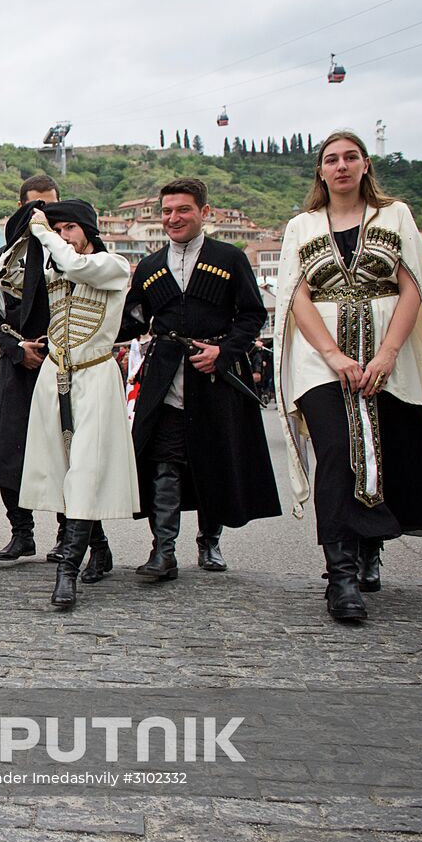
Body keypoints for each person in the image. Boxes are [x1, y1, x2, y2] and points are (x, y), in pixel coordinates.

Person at [274, 130, 422, 622]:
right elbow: (295, 296)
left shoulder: (395, 215)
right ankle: (341, 575)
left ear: (365, 165)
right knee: (337, 452)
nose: (341, 166)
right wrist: (333, 355)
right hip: (319, 357)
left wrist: (389, 352)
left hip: (387, 352)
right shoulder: (301, 226)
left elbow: (412, 284)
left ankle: (371, 544)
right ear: (321, 171)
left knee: (388, 445)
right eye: (331, 159)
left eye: (351, 157)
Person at [119, 177, 281, 580]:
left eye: (183, 209)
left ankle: (209, 541)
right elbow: (130, 321)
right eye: (168, 211)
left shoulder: (230, 258)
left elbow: (251, 315)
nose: (174, 218)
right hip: (165, 378)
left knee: (213, 460)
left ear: (204, 212)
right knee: (164, 464)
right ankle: (164, 550)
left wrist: (224, 352)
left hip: (216, 378)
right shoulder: (151, 266)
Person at [14, 200, 140, 608]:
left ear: (87, 230)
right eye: (58, 228)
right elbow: (5, 278)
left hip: (95, 372)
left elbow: (78, 267)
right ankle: (99, 549)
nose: (63, 235)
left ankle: (67, 569)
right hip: (55, 373)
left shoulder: (113, 265)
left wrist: (46, 234)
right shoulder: (53, 266)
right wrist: (27, 228)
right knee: (62, 468)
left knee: (87, 468)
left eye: (70, 228)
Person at [0, 175, 66, 564]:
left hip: (64, 365)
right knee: (8, 454)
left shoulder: (70, 253)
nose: (44, 215)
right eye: (36, 207)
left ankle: (68, 535)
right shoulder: (1, 260)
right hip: (17, 364)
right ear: (21, 209)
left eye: (51, 206)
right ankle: (21, 533)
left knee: (66, 453)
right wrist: (15, 348)